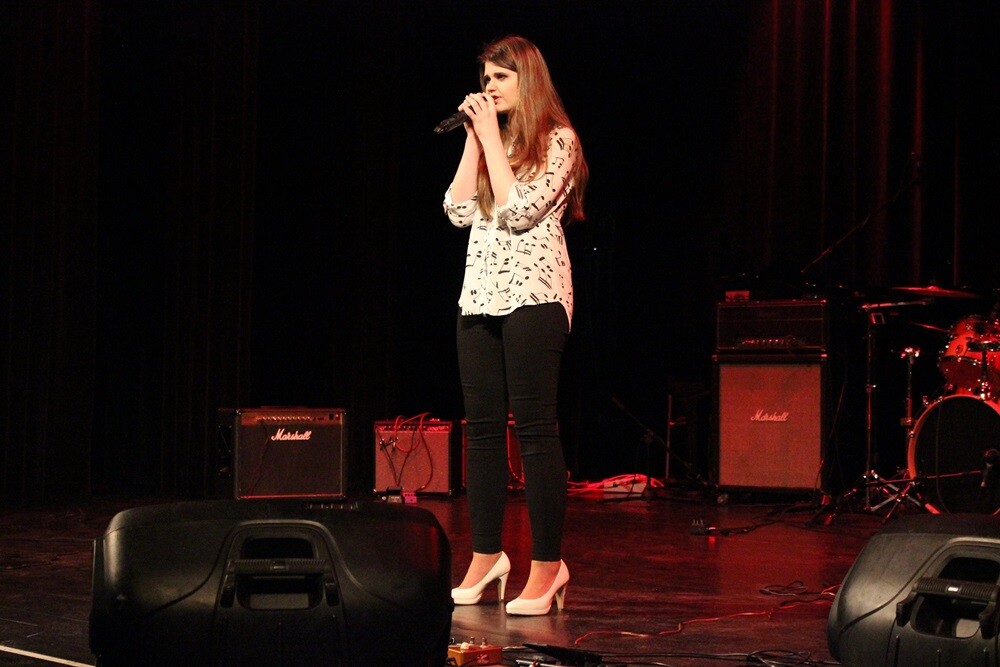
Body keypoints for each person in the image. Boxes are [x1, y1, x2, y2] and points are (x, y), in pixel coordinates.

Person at [442, 34, 588, 616]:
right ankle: (486, 557)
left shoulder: (560, 140)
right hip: (479, 296)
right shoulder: (489, 141)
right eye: (485, 78)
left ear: (527, 79)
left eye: (500, 77)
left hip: (535, 295)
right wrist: (475, 140)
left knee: (534, 429)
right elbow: (457, 210)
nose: (489, 87)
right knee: (481, 431)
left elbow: (520, 210)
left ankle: (548, 566)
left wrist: (493, 146)